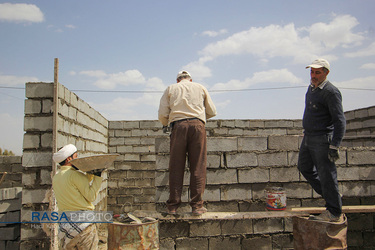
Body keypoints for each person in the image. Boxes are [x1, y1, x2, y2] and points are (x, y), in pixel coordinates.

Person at [158, 70, 217, 216]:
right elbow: (212, 111)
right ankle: (197, 206)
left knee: (176, 166)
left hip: (178, 127)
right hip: (198, 127)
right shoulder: (200, 87)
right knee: (198, 166)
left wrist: (166, 123)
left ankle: (172, 207)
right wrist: (199, 117)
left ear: (178, 80)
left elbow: (162, 113)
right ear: (190, 80)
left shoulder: (171, 88)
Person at [297, 59, 346, 222]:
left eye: (317, 72)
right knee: (304, 167)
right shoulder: (311, 89)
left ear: (326, 73)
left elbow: (340, 120)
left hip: (323, 139)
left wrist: (335, 145)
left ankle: (334, 211)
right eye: (312, 72)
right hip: (309, 137)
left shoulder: (330, 92)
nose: (314, 75)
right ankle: (332, 195)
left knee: (327, 175)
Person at [52, 144, 103, 249]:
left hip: (66, 225)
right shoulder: (74, 175)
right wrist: (97, 177)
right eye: (76, 156)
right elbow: (91, 196)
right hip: (83, 226)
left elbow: (77, 185)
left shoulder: (57, 177)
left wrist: (90, 174)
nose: (78, 159)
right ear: (69, 159)